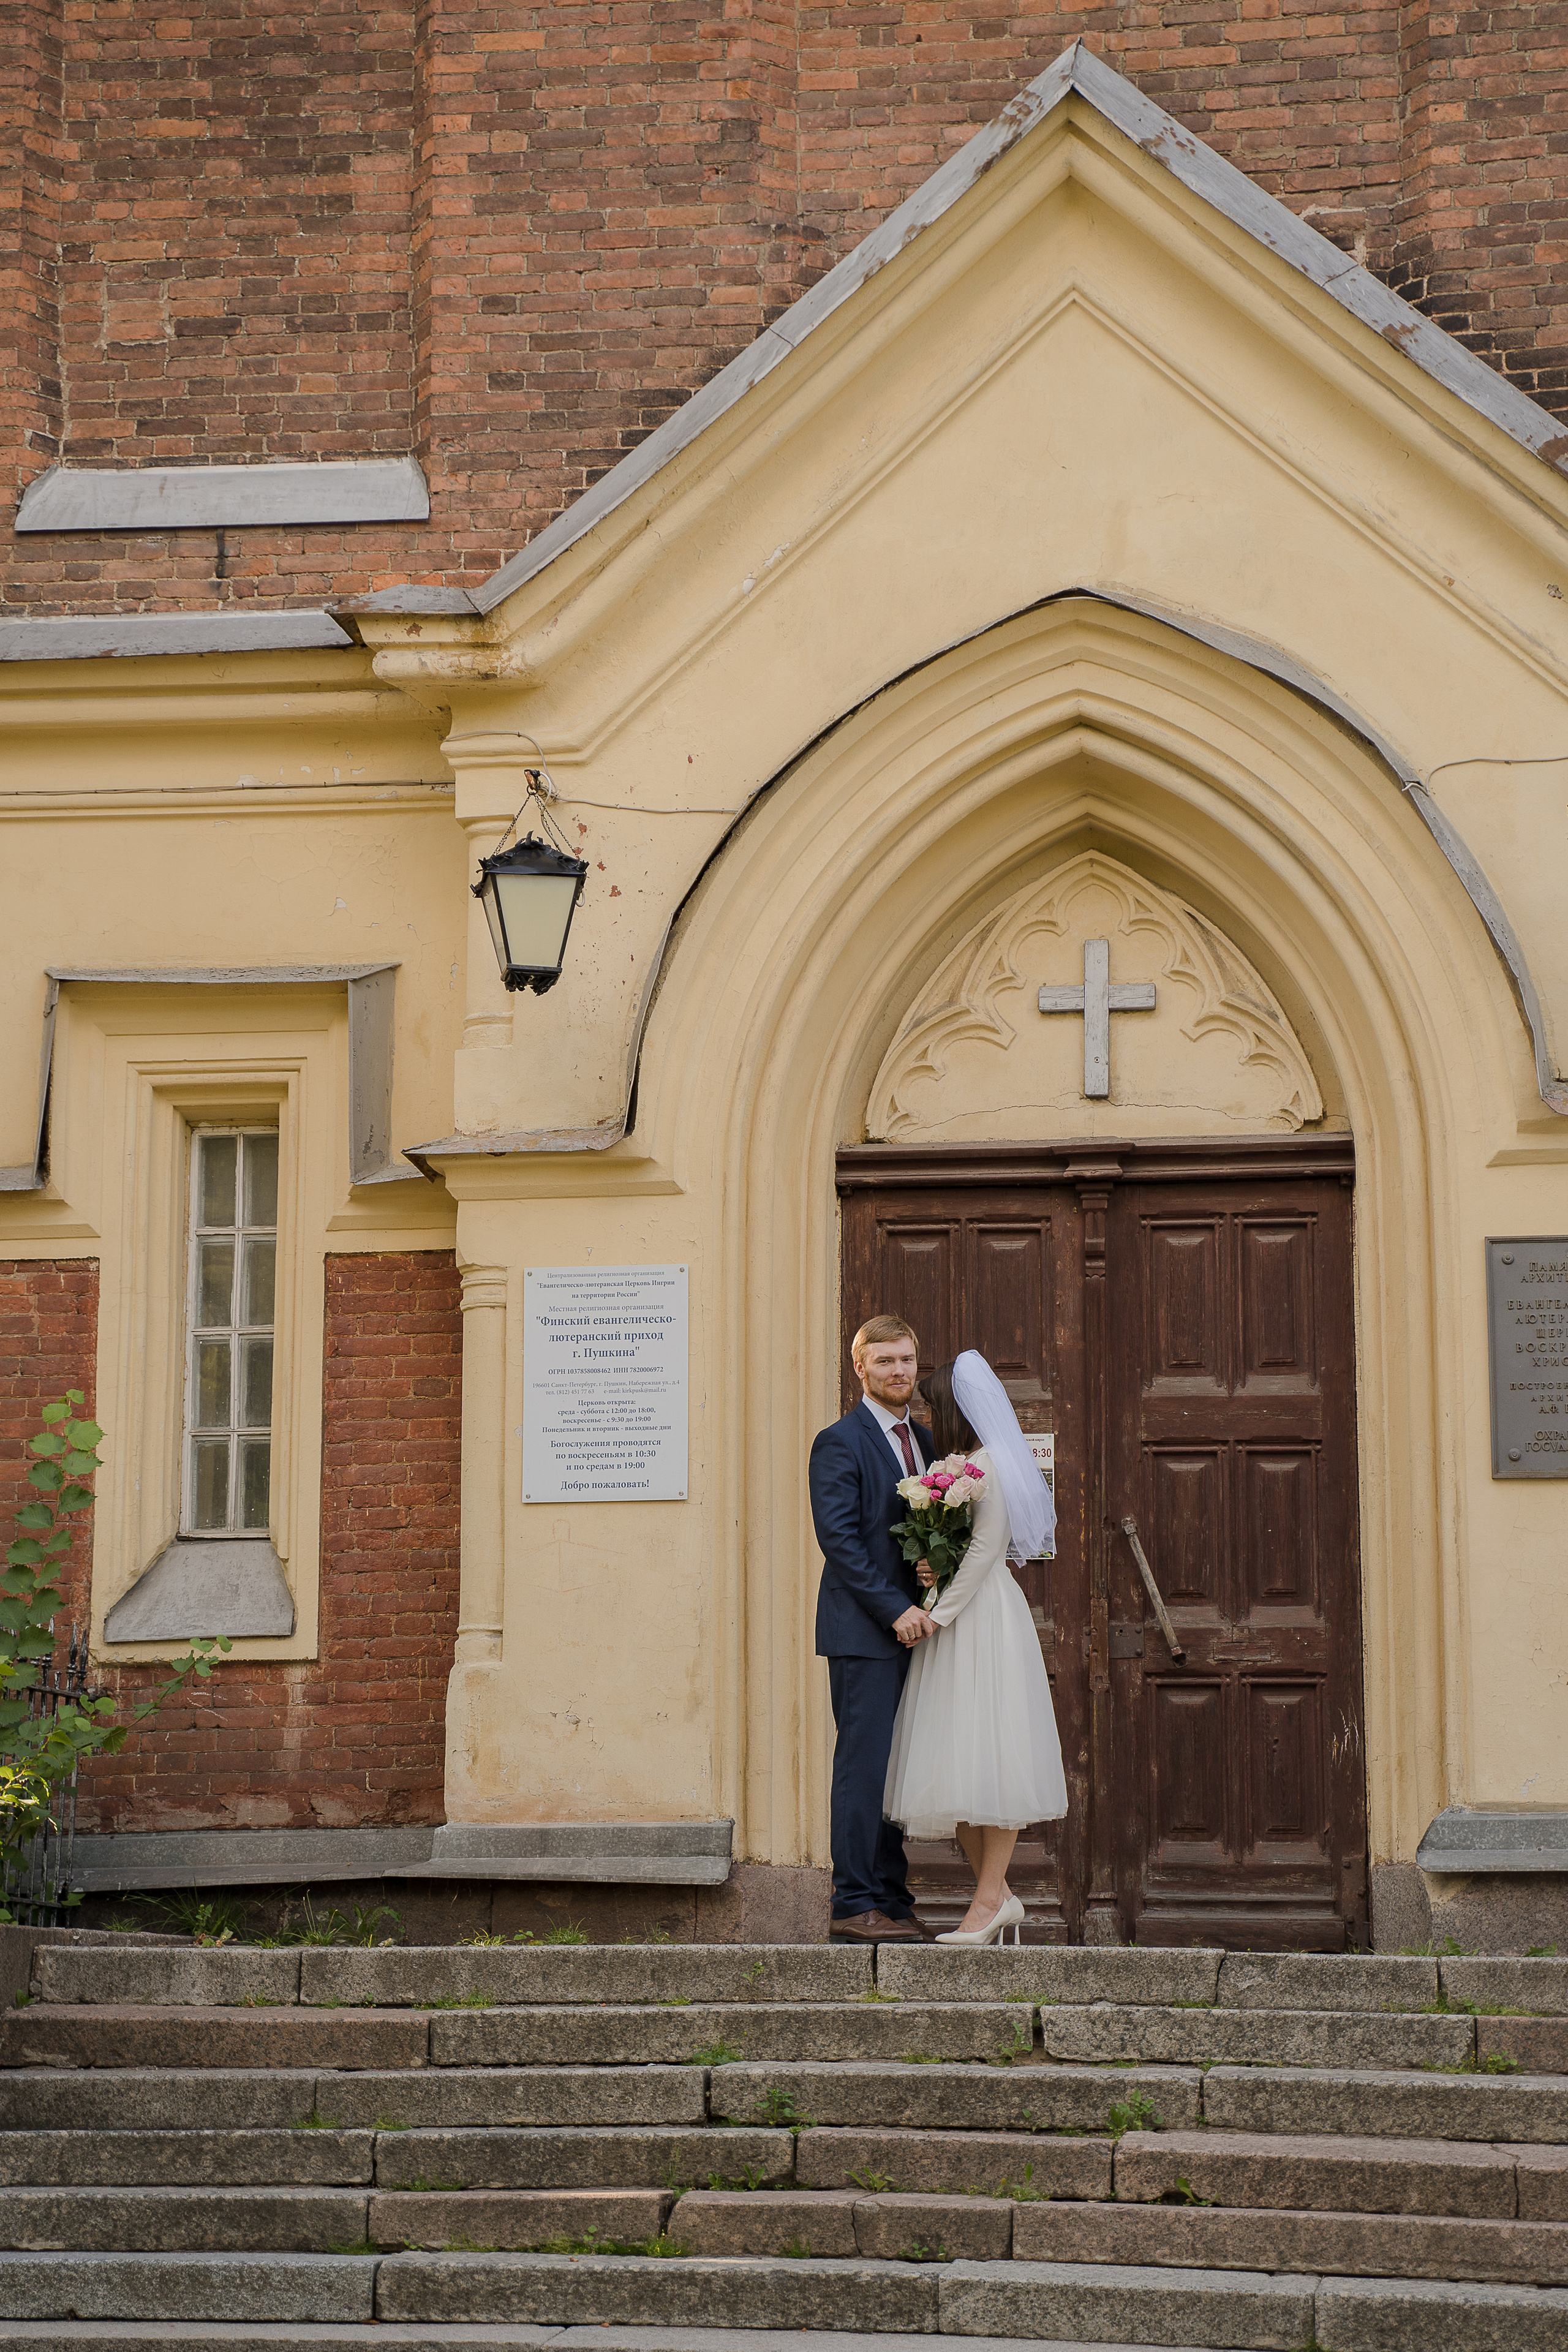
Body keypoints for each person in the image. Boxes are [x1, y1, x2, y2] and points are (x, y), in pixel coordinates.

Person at [883, 1349, 1067, 1946]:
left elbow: (985, 1554)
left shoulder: (988, 1468)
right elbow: (954, 1551)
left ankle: (986, 1901)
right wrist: (930, 1568)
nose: (924, 1417)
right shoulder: (956, 1466)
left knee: (994, 1755)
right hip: (955, 1618)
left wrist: (937, 1614)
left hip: (981, 1620)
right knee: (951, 1759)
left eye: (930, 1408)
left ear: (955, 1410)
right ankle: (1000, 1897)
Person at [809, 1314, 938, 1943]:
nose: (898, 1372)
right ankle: (853, 1902)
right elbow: (839, 1540)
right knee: (864, 1767)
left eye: (906, 1360)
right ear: (859, 1369)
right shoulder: (839, 1440)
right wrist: (895, 1607)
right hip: (864, 1633)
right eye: (884, 1361)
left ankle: (890, 1896)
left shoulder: (927, 1444)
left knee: (898, 1769)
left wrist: (930, 1568)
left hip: (917, 1632)